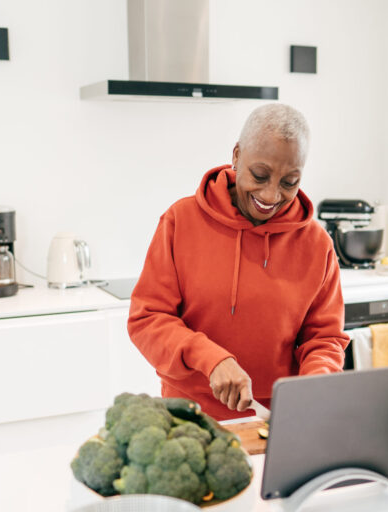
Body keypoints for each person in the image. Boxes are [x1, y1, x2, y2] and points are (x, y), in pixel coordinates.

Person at [128, 103, 350, 420]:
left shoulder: (317, 244)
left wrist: (312, 389)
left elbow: (324, 338)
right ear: (236, 156)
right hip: (189, 414)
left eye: (290, 181)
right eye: (260, 175)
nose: (271, 195)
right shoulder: (181, 221)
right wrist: (210, 358)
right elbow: (147, 319)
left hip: (276, 417)